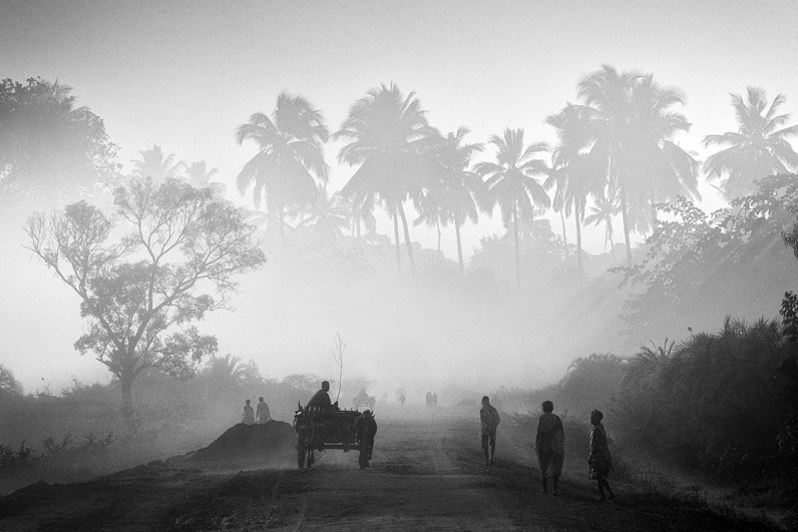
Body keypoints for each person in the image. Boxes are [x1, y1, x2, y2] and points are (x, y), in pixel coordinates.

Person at [535, 400, 565, 495]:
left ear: (543, 408)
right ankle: (555, 489)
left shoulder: (541, 418)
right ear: (552, 408)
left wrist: (537, 445)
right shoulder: (557, 418)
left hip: (543, 446)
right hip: (555, 447)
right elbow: (561, 433)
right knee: (555, 467)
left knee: (543, 467)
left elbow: (539, 433)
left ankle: (544, 488)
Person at [589, 409, 615, 501]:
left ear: (599, 418)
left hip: (599, 456)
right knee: (601, 477)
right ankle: (605, 495)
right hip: (603, 455)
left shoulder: (596, 430)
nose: (591, 419)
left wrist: (591, 456)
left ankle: (607, 495)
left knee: (600, 477)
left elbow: (595, 445)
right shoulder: (600, 427)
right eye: (591, 417)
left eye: (593, 417)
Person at [479, 395, 501, 465]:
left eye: (484, 401)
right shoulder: (483, 410)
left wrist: (493, 426)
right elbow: (483, 420)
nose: (484, 403)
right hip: (487, 429)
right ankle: (488, 459)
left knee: (490, 444)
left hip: (489, 429)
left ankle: (490, 459)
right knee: (487, 445)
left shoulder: (491, 409)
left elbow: (497, 420)